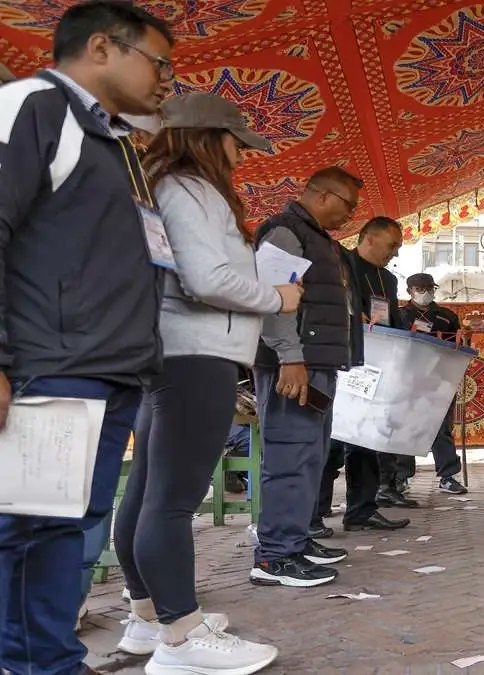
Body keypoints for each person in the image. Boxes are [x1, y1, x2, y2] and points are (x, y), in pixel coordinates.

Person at [0, 3, 173, 672]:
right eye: (158, 62)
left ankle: (51, 661)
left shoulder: (116, 143)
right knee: (26, 532)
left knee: (64, 532)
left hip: (108, 370)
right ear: (101, 46)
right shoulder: (32, 107)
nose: (165, 79)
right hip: (51, 366)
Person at [111, 92, 290, 671]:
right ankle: (183, 639)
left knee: (147, 493)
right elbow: (206, 278)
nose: (242, 154)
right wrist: (276, 297)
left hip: (172, 352)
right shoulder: (189, 190)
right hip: (197, 354)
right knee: (170, 502)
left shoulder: (164, 185)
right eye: (237, 141)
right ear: (209, 138)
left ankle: (148, 619)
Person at [250, 166, 363, 588]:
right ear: (322, 196)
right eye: (347, 204)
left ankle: (296, 540)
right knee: (288, 456)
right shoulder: (285, 233)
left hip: (316, 365)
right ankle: (274, 557)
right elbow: (273, 300)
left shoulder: (319, 240)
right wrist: (290, 357)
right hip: (293, 366)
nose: (350, 214)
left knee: (310, 455)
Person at [327, 216, 411, 532]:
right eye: (392, 246)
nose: (395, 254)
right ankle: (315, 514)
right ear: (368, 238)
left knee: (365, 440)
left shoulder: (388, 280)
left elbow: (391, 319)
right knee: (333, 441)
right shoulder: (341, 264)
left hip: (375, 367)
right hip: (342, 363)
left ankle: (361, 510)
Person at [379, 273, 469, 500]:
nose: (426, 291)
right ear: (409, 291)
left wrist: (464, 337)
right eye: (421, 288)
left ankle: (448, 476)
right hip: (405, 381)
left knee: (441, 429)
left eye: (430, 287)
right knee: (404, 428)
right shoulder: (399, 315)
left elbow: (460, 346)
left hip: (439, 380)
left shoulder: (447, 316)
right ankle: (401, 477)